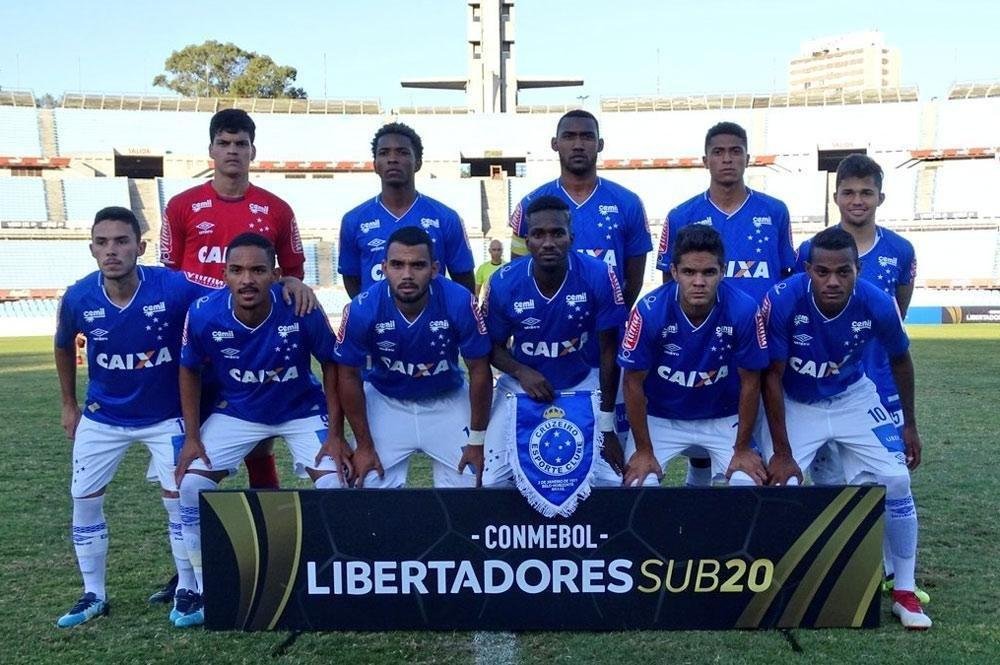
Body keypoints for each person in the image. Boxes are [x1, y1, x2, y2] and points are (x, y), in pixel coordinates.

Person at [153, 108, 309, 602]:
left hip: (254, 341)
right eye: (224, 143)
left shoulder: (278, 209)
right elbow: (169, 274)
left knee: (260, 440)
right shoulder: (180, 206)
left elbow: (293, 271)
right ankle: (187, 571)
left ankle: (272, 549)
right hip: (197, 344)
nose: (233, 152)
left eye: (241, 143)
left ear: (252, 151)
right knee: (182, 455)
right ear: (212, 150)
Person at [53, 206, 222, 628]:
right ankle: (93, 594)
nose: (112, 250)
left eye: (122, 241)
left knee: (179, 505)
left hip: (166, 417)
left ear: (140, 247)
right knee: (84, 502)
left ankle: (190, 588)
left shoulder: (174, 286)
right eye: (103, 242)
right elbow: (62, 346)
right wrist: (68, 404)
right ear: (91, 248)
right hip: (103, 416)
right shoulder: (78, 296)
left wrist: (285, 282)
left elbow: (227, 288)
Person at [760, 226, 931, 630]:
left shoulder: (876, 301)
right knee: (780, 486)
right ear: (807, 270)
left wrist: (910, 426)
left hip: (854, 397)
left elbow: (901, 361)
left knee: (896, 479)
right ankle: (779, 582)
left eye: (844, 272)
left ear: (858, 269)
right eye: (822, 272)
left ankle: (903, 590)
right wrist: (782, 453)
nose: (833, 281)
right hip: (797, 402)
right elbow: (771, 377)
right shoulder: (782, 301)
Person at [173, 233, 348, 628]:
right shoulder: (203, 313)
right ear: (225, 275)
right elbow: (188, 368)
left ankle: (331, 581)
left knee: (336, 485)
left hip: (300, 408)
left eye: (257, 270)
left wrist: (336, 435)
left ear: (275, 274)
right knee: (189, 486)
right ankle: (204, 586)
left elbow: (332, 364)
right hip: (237, 412)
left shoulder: (299, 307)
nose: (247, 279)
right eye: (237, 270)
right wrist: (193, 438)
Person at [796, 153, 928, 603]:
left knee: (883, 475)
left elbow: (897, 317)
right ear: (836, 198)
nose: (857, 200)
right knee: (828, 473)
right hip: (816, 384)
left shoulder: (900, 251)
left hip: (872, 385)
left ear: (880, 197)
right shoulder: (810, 250)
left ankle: (893, 573)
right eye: (848, 192)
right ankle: (841, 564)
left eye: (865, 192)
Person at [655, 121, 795, 487]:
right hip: (705, 345)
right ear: (705, 160)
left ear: (748, 158)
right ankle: (699, 488)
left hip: (758, 345)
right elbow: (670, 284)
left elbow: (784, 277)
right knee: (704, 430)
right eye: (719, 152)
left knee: (755, 452)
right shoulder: (680, 215)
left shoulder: (775, 212)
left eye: (735, 151)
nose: (727, 159)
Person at [482, 195, 627, 486]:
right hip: (519, 385)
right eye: (538, 234)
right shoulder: (503, 282)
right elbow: (489, 348)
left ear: (571, 237)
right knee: (493, 480)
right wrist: (522, 372)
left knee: (611, 479)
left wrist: (608, 424)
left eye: (557, 233)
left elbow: (610, 350)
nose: (548, 242)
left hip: (583, 380)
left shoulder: (599, 274)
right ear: (527, 240)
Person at [335, 227, 492, 488]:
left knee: (480, 478)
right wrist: (363, 444)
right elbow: (348, 375)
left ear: (434, 269)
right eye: (397, 265)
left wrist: (476, 440)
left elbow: (479, 370)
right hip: (386, 399)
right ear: (384, 268)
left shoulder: (459, 301)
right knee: (363, 482)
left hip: (447, 398)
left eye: (418, 265)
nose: (407, 274)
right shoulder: (362, 309)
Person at [619, 225, 769, 487]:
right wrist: (643, 450)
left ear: (723, 271)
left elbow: (750, 382)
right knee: (639, 484)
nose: (699, 282)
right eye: (689, 272)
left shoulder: (744, 309)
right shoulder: (649, 311)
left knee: (747, 482)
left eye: (709, 272)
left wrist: (742, 447)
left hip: (723, 416)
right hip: (660, 416)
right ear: (674, 272)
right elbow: (632, 382)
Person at [509, 109, 651, 309]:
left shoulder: (629, 203)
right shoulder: (529, 204)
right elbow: (518, 273)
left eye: (587, 137)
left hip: (606, 332)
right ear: (554, 144)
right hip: (548, 330)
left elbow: (634, 281)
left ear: (600, 145)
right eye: (568, 137)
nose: (577, 145)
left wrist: (612, 317)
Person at [339, 122, 476, 297]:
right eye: (384, 153)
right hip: (377, 323)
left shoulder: (446, 218)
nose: (392, 159)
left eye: (402, 152)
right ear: (375, 165)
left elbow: (463, 281)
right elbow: (352, 280)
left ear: (417, 163)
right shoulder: (353, 220)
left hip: (433, 323)